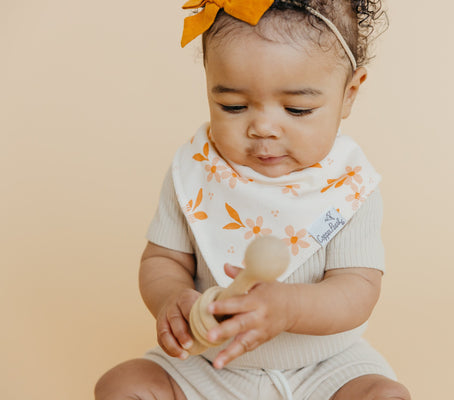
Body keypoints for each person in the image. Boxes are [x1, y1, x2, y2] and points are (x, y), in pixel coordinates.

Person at [95, 0, 410, 399]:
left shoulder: (348, 187)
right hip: (207, 363)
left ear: (349, 93)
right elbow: (163, 260)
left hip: (325, 368)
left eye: (297, 109)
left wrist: (290, 308)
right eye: (233, 106)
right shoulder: (195, 173)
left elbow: (357, 291)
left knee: (383, 395)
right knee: (122, 386)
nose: (262, 127)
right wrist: (171, 298)